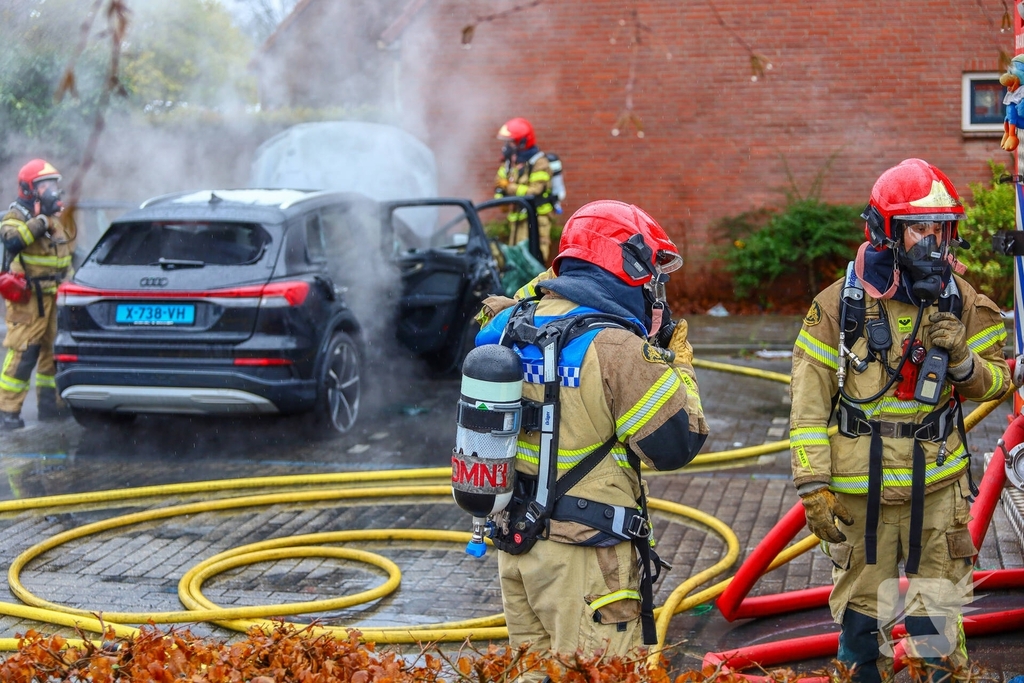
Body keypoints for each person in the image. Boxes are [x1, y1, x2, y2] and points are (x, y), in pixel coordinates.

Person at [789, 159, 1010, 682]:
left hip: (936, 491)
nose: (931, 242)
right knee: (863, 624)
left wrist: (962, 361)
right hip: (858, 493)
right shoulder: (838, 306)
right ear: (886, 232)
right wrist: (813, 485)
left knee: (935, 619)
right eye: (917, 228)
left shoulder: (964, 300)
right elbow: (807, 405)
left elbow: (997, 384)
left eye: (940, 229)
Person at [475, 200, 709, 678]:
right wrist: (679, 365)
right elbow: (675, 445)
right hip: (587, 564)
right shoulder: (618, 348)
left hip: (519, 548)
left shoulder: (513, 325)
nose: (654, 289)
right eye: (650, 275)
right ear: (623, 266)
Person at [0, 159, 76, 429]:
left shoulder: (57, 219)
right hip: (28, 301)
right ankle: (7, 412)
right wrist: (41, 220)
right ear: (29, 189)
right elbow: (11, 240)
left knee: (52, 353)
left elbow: (66, 255)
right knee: (23, 355)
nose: (52, 190)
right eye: (45, 185)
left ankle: (50, 406)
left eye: (54, 184)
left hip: (54, 297)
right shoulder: (17, 215)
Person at [494, 117, 556, 262]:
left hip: (536, 221)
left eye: (510, 142)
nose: (506, 147)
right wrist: (501, 198)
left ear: (522, 142)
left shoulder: (539, 163)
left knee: (532, 263)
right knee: (515, 263)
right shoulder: (510, 164)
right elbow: (498, 185)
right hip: (516, 222)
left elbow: (534, 192)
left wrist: (508, 187)